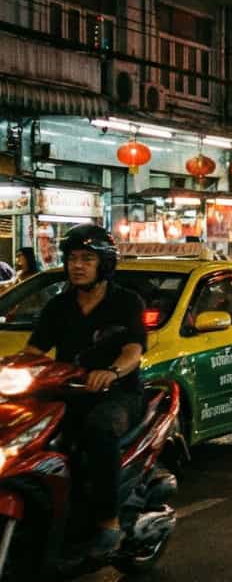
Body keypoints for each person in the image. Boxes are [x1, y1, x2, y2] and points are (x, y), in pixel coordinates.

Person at [23, 226, 146, 558]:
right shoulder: (58, 306)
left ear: (104, 264)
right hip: (68, 391)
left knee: (97, 430)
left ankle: (108, 523)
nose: (77, 266)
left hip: (118, 393)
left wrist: (111, 372)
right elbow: (34, 350)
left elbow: (133, 350)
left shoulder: (126, 302)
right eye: (72, 259)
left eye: (87, 259)